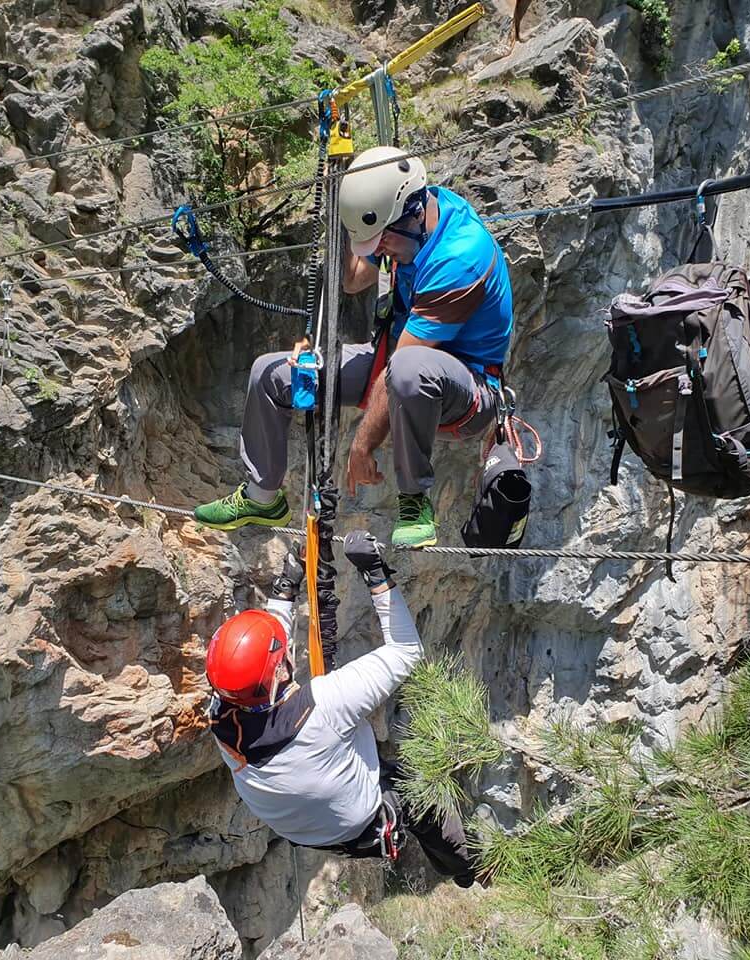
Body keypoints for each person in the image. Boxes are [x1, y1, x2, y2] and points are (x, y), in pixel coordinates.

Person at [194, 146, 514, 548]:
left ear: (414, 214)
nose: (378, 252)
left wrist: (361, 447)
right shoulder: (411, 219)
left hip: (467, 393)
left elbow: (402, 365)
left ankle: (414, 501)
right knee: (271, 374)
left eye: (383, 242)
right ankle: (262, 497)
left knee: (409, 369)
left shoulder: (460, 257)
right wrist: (345, 215)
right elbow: (352, 279)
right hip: (395, 365)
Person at [206, 529, 478, 883]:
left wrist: (287, 586)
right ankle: (468, 869)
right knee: (424, 798)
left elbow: (264, 664)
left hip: (303, 827)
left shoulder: (221, 712)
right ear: (281, 671)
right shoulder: (325, 704)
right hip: (363, 824)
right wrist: (375, 572)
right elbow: (406, 651)